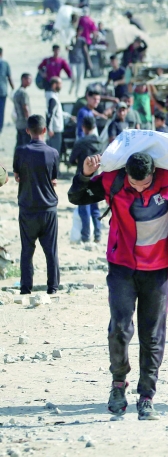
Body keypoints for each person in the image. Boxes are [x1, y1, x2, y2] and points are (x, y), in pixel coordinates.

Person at [69, 152, 168, 421]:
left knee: (152, 335)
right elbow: (77, 197)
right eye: (135, 182)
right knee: (119, 328)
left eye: (145, 183)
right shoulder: (114, 182)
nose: (140, 187)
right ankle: (118, 383)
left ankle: (146, 397)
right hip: (122, 267)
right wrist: (84, 175)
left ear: (154, 173)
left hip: (158, 270)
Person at [13, 115, 61, 295]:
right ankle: (53, 288)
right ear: (44, 130)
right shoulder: (53, 153)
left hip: (27, 207)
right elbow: (53, 179)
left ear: (27, 131)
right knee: (51, 251)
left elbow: (17, 176)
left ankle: (26, 288)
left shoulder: (20, 151)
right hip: (48, 207)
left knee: (27, 250)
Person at [69, 115, 102, 245]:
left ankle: (86, 235)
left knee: (84, 206)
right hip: (97, 178)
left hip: (83, 178)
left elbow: (71, 160)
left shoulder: (80, 142)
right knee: (95, 207)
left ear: (83, 127)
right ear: (94, 127)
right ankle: (98, 235)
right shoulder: (99, 142)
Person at [44, 78, 65, 157]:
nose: (61, 86)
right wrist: (50, 129)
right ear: (54, 85)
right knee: (54, 154)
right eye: (60, 84)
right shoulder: (52, 98)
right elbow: (50, 114)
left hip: (55, 129)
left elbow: (58, 113)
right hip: (55, 130)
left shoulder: (54, 96)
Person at [68, 30, 91, 97]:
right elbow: (67, 46)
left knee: (80, 78)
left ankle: (76, 92)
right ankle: (71, 89)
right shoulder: (71, 39)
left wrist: (88, 61)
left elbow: (85, 50)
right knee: (74, 77)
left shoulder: (82, 40)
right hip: (73, 61)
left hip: (80, 60)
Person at [12, 73, 32, 148]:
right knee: (26, 145)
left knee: (19, 145)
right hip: (25, 123)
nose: (30, 81)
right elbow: (25, 108)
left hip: (18, 123)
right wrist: (30, 122)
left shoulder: (17, 92)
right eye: (28, 79)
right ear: (23, 79)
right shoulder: (23, 93)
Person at [0, 48, 12, 134]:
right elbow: (9, 78)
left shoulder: (5, 64)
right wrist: (14, 89)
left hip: (2, 91)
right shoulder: (5, 64)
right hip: (2, 91)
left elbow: (9, 78)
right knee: (1, 111)